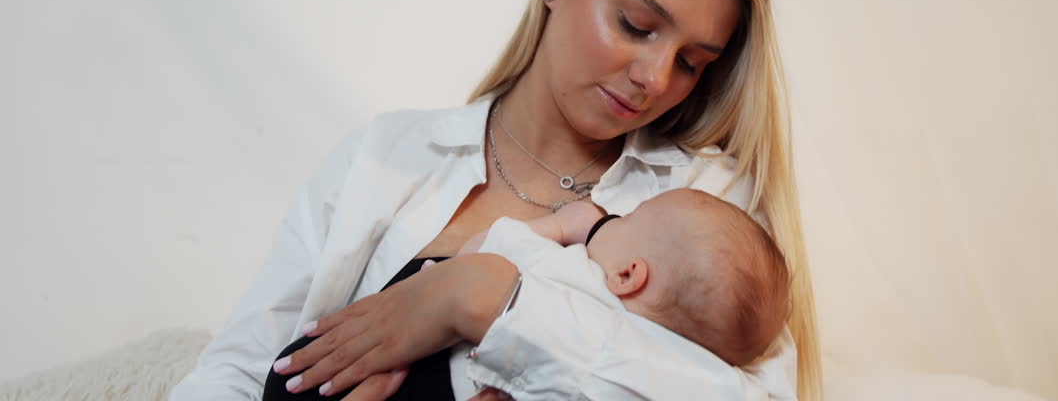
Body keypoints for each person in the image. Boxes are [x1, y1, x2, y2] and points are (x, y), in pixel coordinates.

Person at [171, 0, 821, 401]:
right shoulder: (389, 155)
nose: (655, 78)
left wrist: (479, 301)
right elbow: (238, 367)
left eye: (692, 62)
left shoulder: (705, 199)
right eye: (636, 23)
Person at [261, 187, 792, 400]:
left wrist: (565, 225)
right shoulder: (656, 359)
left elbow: (477, 253)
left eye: (627, 217)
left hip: (433, 377)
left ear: (630, 274)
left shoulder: (573, 272)